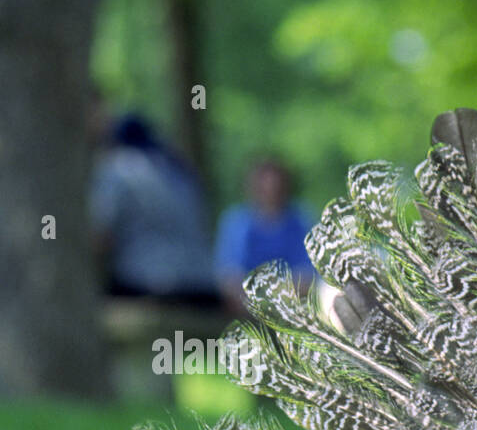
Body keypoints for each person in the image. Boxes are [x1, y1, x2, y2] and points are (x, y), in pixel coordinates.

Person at [89, 112, 219, 305]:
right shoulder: (180, 169)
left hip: (150, 285)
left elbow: (101, 236)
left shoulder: (117, 166)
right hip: (204, 286)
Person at [214, 158, 315, 315]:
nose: (270, 193)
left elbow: (308, 275)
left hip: (294, 311)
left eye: (276, 188)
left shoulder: (301, 220)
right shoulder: (236, 222)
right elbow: (229, 276)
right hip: (245, 311)